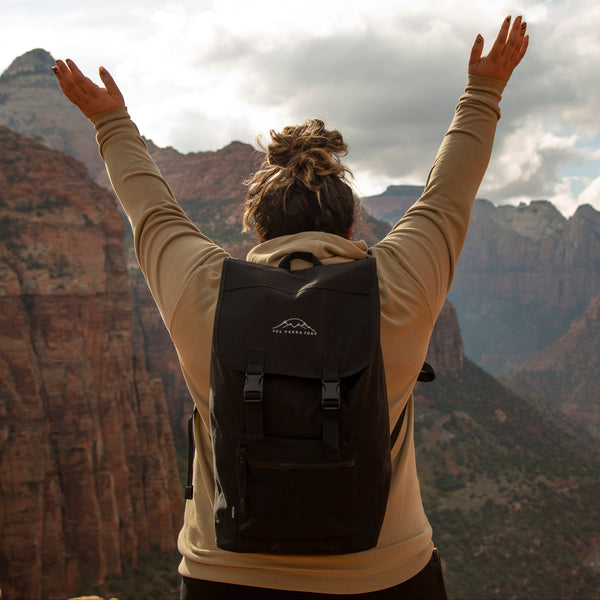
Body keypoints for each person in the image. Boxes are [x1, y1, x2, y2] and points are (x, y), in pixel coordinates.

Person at [53, 15, 528, 599]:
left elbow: (150, 207)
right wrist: (484, 90)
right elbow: (448, 193)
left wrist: (110, 122)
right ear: (350, 225)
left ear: (254, 227)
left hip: (223, 576)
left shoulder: (203, 289)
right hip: (384, 575)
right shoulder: (398, 283)